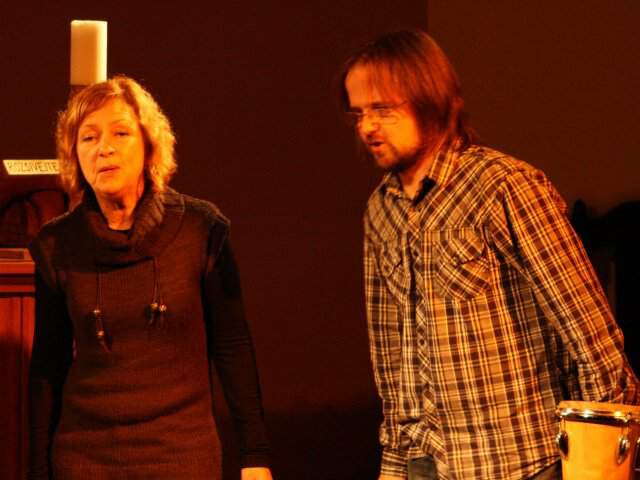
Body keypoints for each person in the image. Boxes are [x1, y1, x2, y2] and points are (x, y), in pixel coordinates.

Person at [338, 29, 639, 480]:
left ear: (428, 100)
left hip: (517, 460)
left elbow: (589, 333)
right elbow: (390, 357)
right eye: (358, 113)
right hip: (427, 462)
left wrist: (599, 459)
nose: (366, 127)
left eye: (382, 109)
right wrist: (395, 464)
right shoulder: (381, 210)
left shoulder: (503, 186)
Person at [28, 76, 273, 480]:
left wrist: (255, 455)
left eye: (120, 133)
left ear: (148, 144)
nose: (104, 148)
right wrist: (38, 471)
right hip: (84, 458)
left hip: (181, 455)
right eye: (88, 138)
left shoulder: (201, 229)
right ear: (74, 154)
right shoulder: (56, 245)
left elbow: (233, 346)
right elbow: (47, 367)